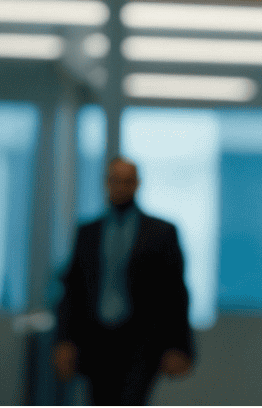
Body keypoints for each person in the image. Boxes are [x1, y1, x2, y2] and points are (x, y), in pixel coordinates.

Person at [53, 157, 194, 405]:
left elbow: (175, 292)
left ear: (137, 184)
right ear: (106, 183)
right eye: (115, 180)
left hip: (141, 343)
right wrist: (65, 339)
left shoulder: (161, 233)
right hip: (96, 341)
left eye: (127, 181)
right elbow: (73, 290)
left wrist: (180, 345)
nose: (121, 187)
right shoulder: (88, 233)